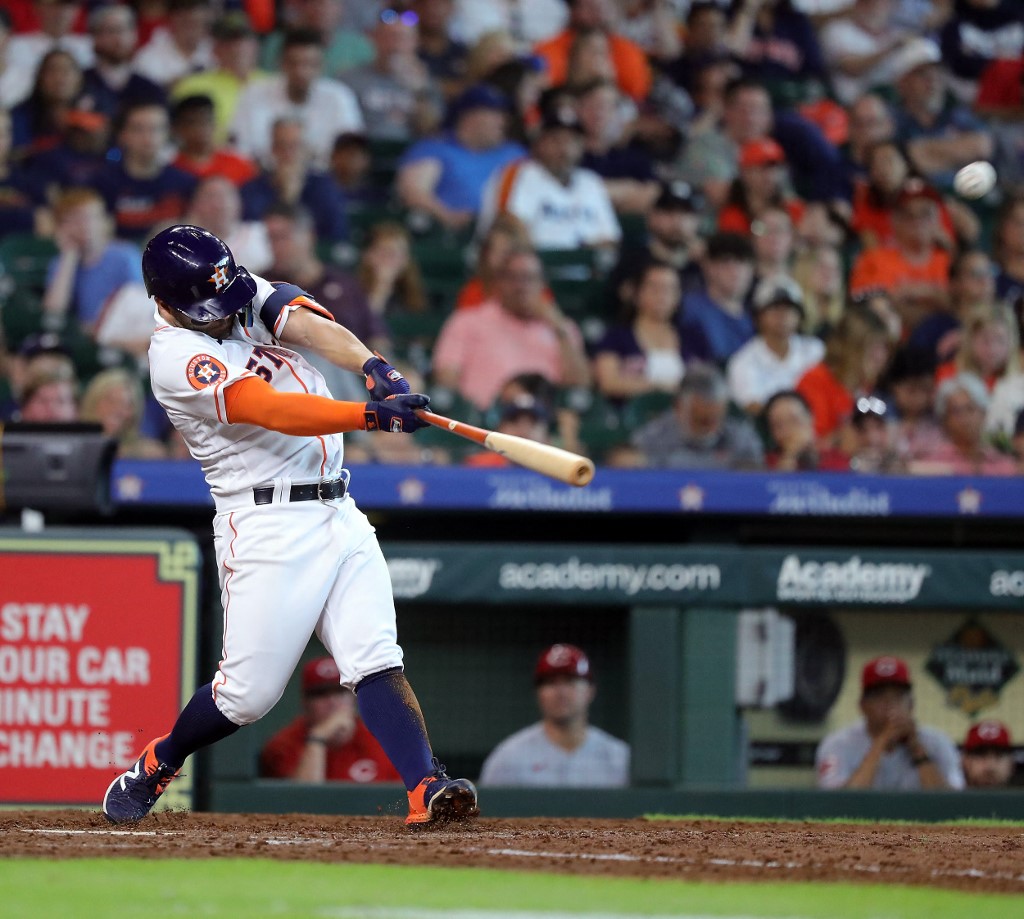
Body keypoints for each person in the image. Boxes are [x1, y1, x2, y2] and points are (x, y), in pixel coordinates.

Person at [100, 224, 478, 827]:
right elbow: (266, 408)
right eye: (205, 311)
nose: (222, 317)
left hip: (338, 510)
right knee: (246, 697)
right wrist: (369, 416)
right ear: (166, 303)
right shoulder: (173, 358)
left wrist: (373, 365)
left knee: (375, 657)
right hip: (266, 524)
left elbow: (300, 321)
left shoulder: (224, 289)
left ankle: (425, 786)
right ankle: (159, 761)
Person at [432, 246, 591, 410]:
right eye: (514, 278)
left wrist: (558, 328)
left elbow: (580, 385)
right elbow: (446, 379)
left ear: (543, 283)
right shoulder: (467, 321)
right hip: (484, 423)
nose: (522, 286)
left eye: (529, 278)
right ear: (499, 282)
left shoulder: (562, 328)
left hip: (544, 424)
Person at [478, 643, 629, 787]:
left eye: (570, 681)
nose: (560, 692)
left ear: (590, 691)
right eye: (551, 682)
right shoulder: (508, 758)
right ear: (538, 693)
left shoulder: (619, 758)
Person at [476, 104, 621, 252]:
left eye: (572, 141)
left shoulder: (591, 182)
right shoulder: (518, 174)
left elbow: (610, 239)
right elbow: (505, 228)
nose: (564, 149)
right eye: (556, 140)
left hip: (583, 271)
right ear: (539, 143)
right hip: (524, 269)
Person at [816, 656, 965, 790]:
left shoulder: (937, 742)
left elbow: (949, 804)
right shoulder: (838, 744)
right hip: (863, 820)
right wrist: (881, 741)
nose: (890, 704)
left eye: (898, 696)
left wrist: (917, 749)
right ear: (862, 705)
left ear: (911, 704)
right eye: (880, 696)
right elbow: (840, 803)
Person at [259, 656, 402, 783]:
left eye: (340, 692)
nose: (332, 702)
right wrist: (317, 739)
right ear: (305, 703)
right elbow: (302, 803)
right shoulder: (283, 745)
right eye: (321, 694)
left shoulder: (384, 744)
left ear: (354, 697)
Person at [629, 362, 764, 469]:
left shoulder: (739, 437)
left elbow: (754, 478)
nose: (713, 428)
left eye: (717, 419)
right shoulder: (652, 439)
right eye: (703, 420)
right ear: (679, 408)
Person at [726, 277, 824, 417]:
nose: (783, 316)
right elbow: (751, 407)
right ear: (758, 316)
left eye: (789, 309)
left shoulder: (815, 350)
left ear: (799, 316)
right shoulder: (743, 361)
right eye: (775, 309)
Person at [961, 720, 1016, 789]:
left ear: (1011, 763)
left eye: (999, 755)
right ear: (965, 761)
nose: (990, 765)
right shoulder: (951, 799)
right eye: (981, 754)